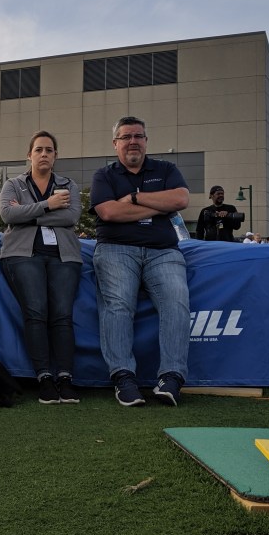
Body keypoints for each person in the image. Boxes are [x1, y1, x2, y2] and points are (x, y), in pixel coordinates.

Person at [89, 116, 190, 407]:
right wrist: (158, 206)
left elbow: (180, 200)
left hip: (163, 251)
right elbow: (108, 213)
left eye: (138, 136)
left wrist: (134, 198)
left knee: (176, 300)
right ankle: (123, 377)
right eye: (126, 137)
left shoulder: (166, 169)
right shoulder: (104, 175)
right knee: (118, 304)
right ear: (115, 143)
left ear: (146, 141)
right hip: (116, 249)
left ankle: (171, 377)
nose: (132, 141)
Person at [0, 131, 83, 404]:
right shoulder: (13, 184)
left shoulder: (68, 185)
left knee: (62, 315)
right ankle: (44, 377)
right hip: (23, 254)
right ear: (29, 155)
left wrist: (29, 215)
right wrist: (48, 205)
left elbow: (71, 217)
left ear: (56, 156)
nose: (44, 154)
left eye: (49, 150)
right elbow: (7, 214)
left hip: (63, 256)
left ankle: (65, 378)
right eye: (39, 150)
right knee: (36, 312)